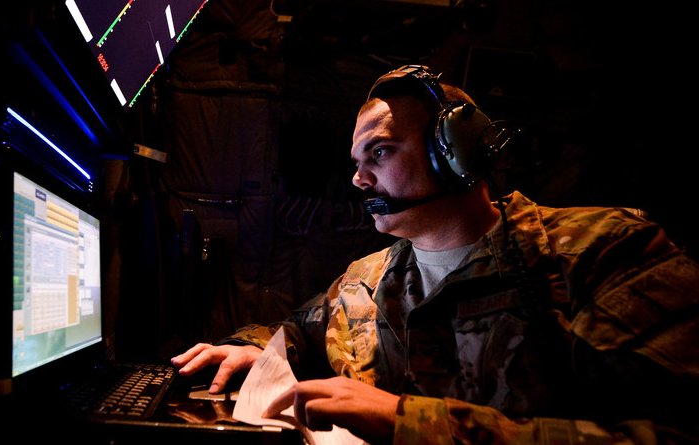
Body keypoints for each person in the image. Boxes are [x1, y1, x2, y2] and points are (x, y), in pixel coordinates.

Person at [171, 64, 699, 445]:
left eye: (379, 151)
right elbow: (295, 328)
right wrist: (251, 350)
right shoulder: (364, 280)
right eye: (356, 161)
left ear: (457, 151)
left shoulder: (607, 252)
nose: (359, 178)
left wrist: (410, 423)